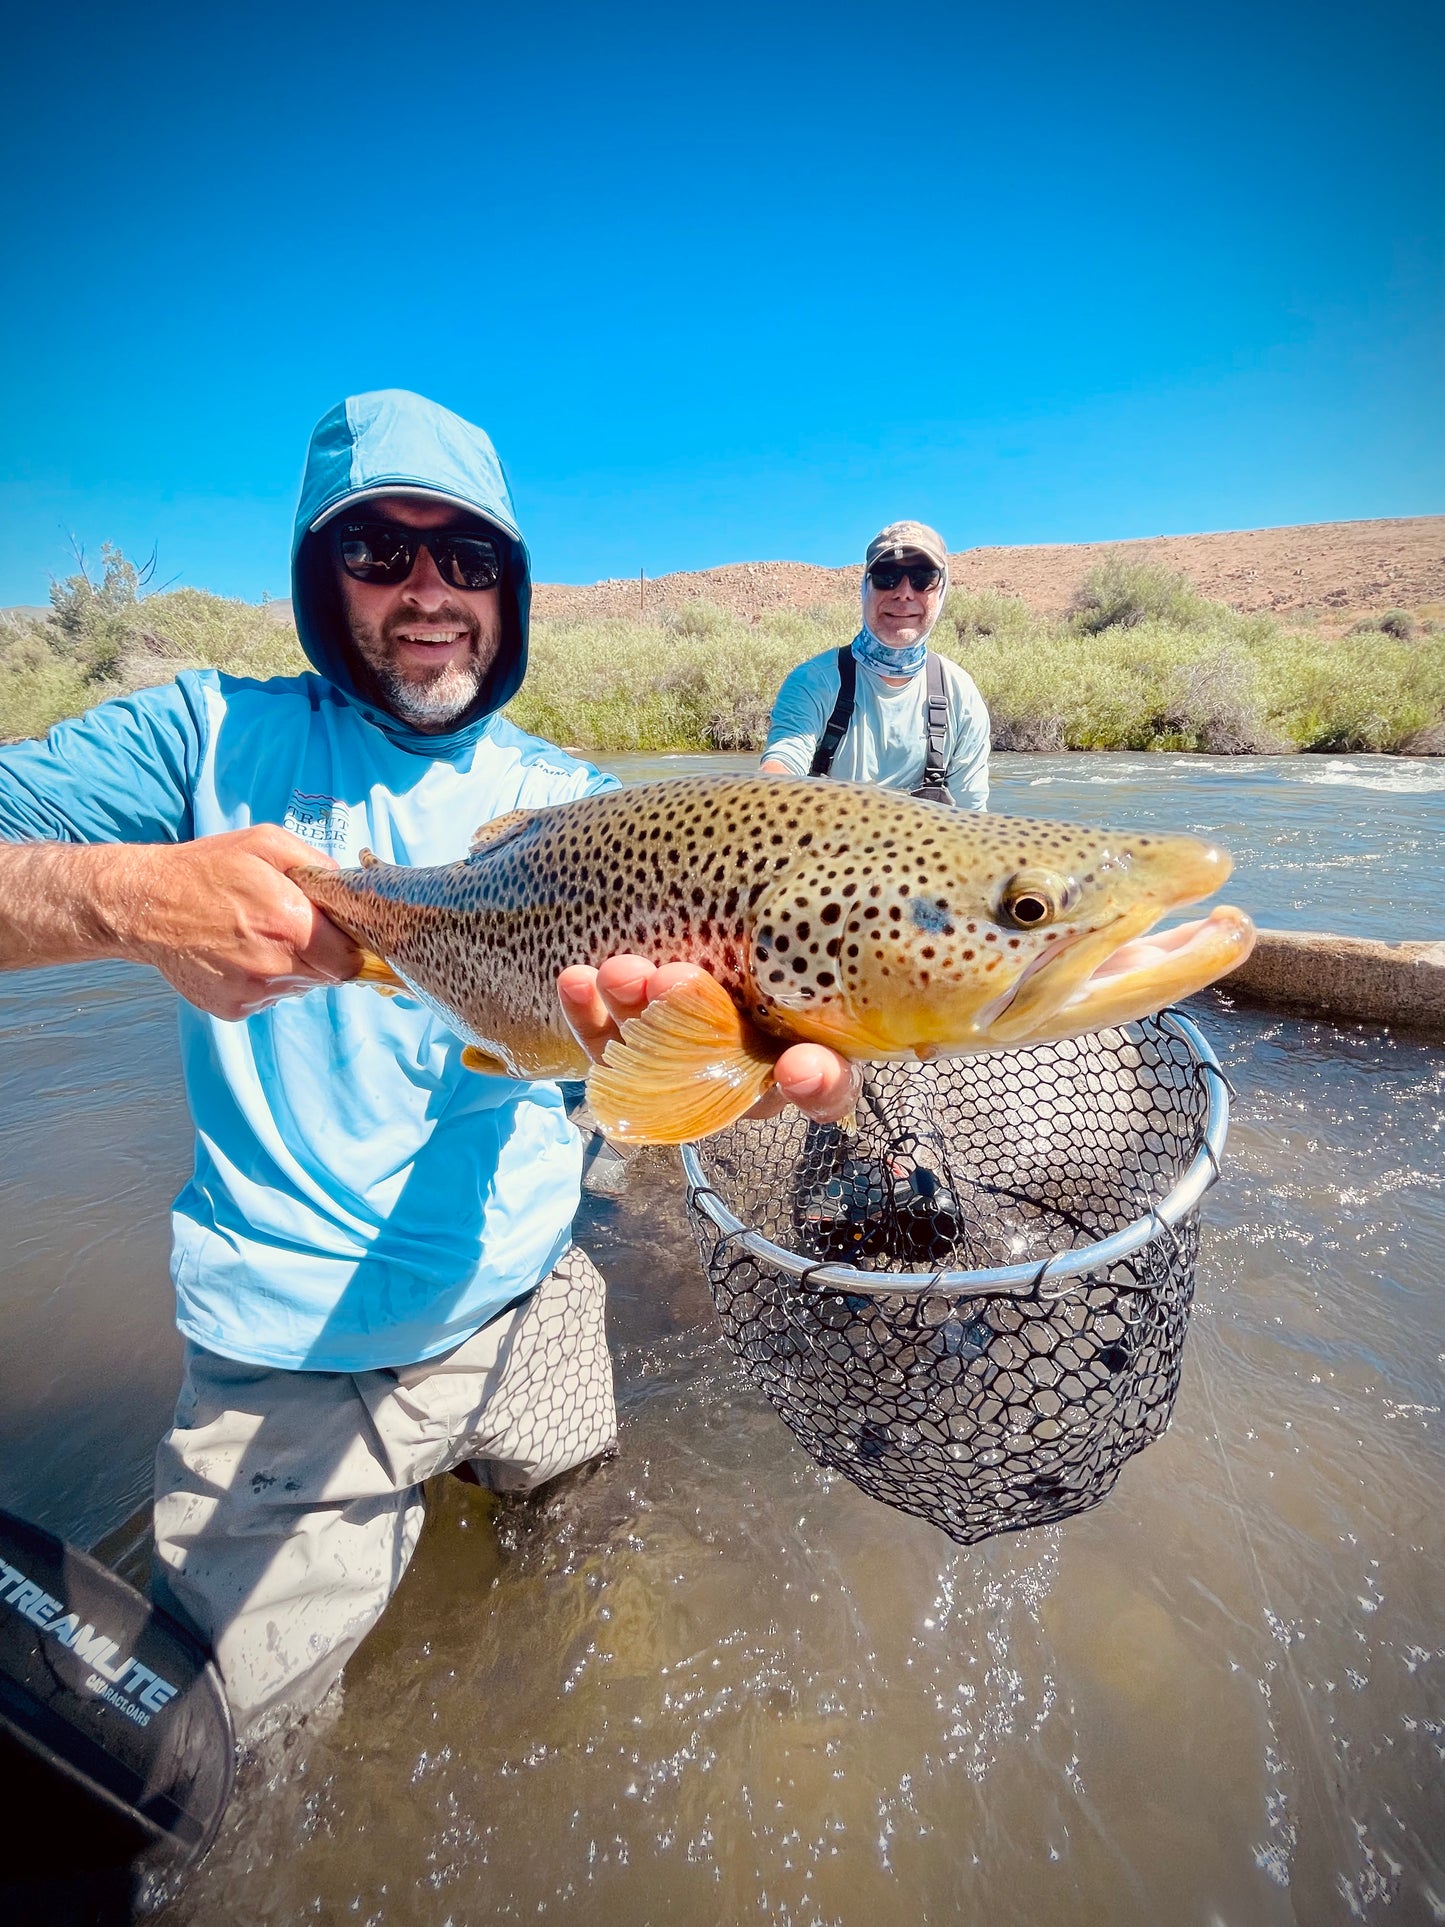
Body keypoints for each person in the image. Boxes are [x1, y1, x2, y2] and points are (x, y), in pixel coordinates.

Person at [0, 389, 857, 1743]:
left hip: (531, 1300)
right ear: (317, 570)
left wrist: (756, 1057)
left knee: (587, 1582)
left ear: (508, 584)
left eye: (465, 555)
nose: (428, 590)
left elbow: (673, 1058)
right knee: (239, 1772)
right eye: (376, 549)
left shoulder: (582, 808)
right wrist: (124, 896)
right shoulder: (199, 740)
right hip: (287, 1365)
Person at [759, 520, 990, 809]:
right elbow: (783, 762)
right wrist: (764, 795)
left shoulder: (962, 696)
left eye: (923, 577)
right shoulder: (813, 682)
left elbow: (974, 816)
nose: (904, 592)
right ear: (865, 586)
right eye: (887, 575)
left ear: (941, 590)